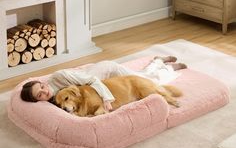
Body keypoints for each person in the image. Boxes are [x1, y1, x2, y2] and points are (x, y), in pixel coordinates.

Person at [20, 56, 187, 111]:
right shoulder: (53, 101)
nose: (44, 92)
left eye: (41, 87)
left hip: (105, 72)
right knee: (144, 78)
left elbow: (93, 80)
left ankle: (161, 63)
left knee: (149, 82)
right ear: (37, 100)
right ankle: (159, 64)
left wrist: (106, 98)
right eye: (39, 95)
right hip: (99, 79)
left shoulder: (58, 77)